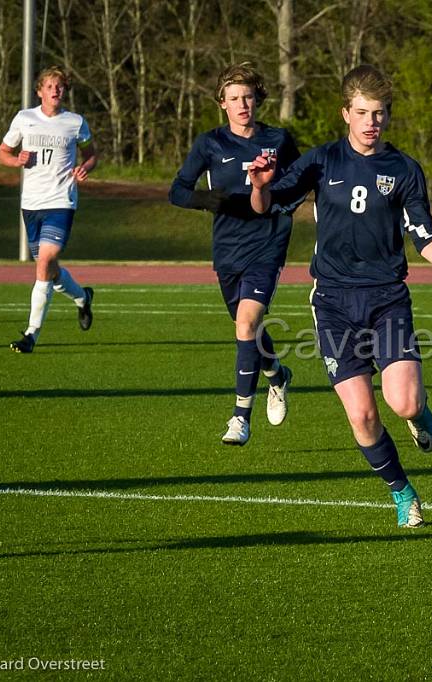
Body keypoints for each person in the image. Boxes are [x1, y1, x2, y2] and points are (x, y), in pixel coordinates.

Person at [248, 65, 432, 528]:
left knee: (404, 404)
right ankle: (402, 492)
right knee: (362, 415)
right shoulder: (321, 161)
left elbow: (423, 237)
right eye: (361, 112)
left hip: (386, 299)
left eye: (378, 113)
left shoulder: (404, 169)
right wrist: (259, 186)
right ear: (346, 113)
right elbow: (269, 205)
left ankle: (419, 413)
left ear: (388, 116)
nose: (370, 122)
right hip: (334, 304)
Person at [169, 63, 299, 446]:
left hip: (267, 244)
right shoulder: (209, 143)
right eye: (234, 98)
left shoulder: (278, 139)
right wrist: (210, 199)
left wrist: (279, 205)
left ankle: (240, 416)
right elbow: (177, 190)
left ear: (257, 99)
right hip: (227, 249)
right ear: (222, 103)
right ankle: (276, 374)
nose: (242, 104)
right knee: (250, 331)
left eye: (248, 97)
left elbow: (299, 182)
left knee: (246, 324)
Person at [0, 66, 97, 353]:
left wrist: (85, 167)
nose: (56, 90)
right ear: (40, 91)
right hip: (31, 204)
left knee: (44, 263)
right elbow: (1, 153)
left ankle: (31, 334)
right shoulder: (24, 119)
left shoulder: (75, 122)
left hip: (61, 202)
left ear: (64, 91)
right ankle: (82, 298)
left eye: (60, 86)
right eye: (50, 86)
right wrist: (16, 159)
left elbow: (91, 155)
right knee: (50, 270)